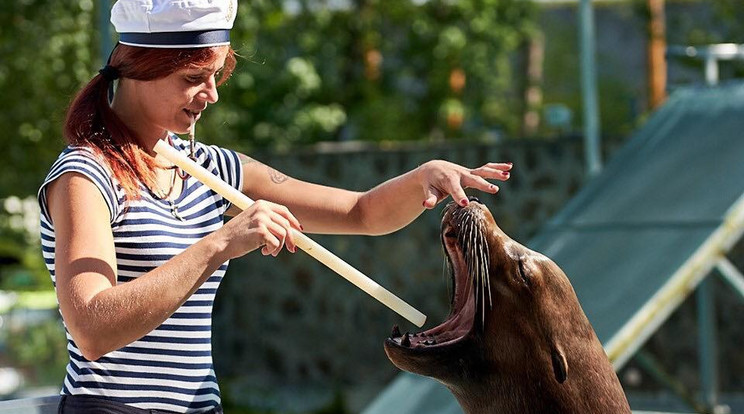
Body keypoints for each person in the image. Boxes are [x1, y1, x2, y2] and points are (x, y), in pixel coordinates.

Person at [37, 0, 513, 412]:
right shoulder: (86, 174)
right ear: (140, 68)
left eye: (216, 75)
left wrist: (422, 176)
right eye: (194, 78)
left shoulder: (212, 169)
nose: (212, 94)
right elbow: (92, 328)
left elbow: (362, 213)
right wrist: (221, 243)